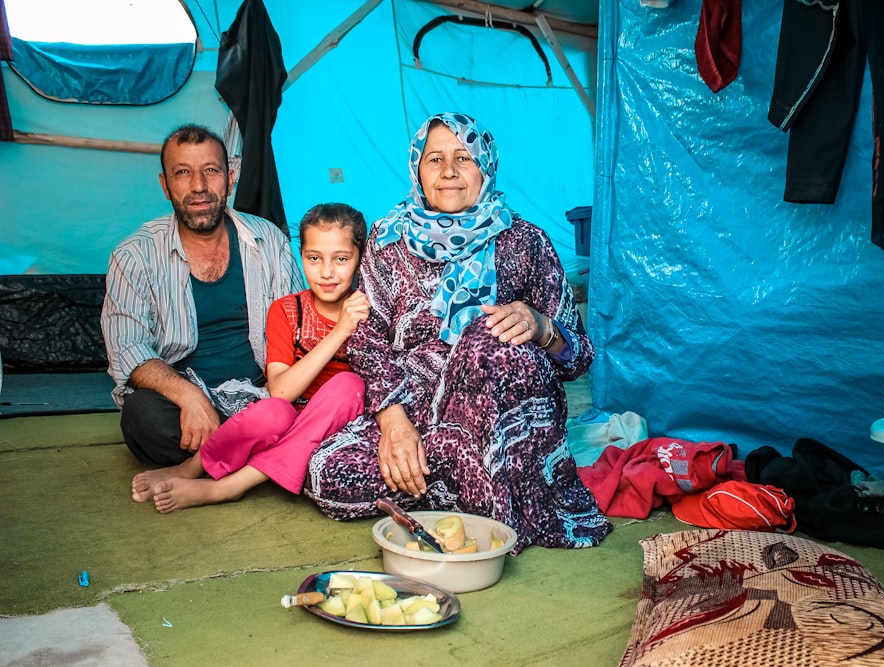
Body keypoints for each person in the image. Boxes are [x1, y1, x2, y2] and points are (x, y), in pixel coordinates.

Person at [304, 112, 612, 553]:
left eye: (463, 158)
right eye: (434, 159)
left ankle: (479, 482)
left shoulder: (525, 242)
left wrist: (543, 328)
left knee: (486, 340)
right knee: (328, 472)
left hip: (503, 410)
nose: (448, 172)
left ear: (485, 165)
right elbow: (368, 339)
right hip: (419, 411)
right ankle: (473, 477)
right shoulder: (388, 242)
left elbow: (579, 356)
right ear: (417, 168)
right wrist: (393, 423)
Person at [130, 203, 371, 512]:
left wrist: (352, 324)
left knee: (347, 384)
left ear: (360, 260)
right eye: (314, 258)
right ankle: (194, 466)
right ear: (301, 257)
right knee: (273, 411)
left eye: (341, 259)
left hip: (340, 430)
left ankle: (229, 486)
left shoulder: (370, 311)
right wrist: (340, 331)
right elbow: (282, 391)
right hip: (293, 420)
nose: (326, 272)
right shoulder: (286, 311)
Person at [101, 124, 306, 466]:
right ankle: (267, 454)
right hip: (184, 403)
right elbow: (127, 349)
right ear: (166, 185)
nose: (198, 186)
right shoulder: (133, 255)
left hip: (263, 396)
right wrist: (190, 398)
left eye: (210, 171)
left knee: (334, 392)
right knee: (142, 414)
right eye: (183, 173)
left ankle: (218, 457)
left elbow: (301, 326)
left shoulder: (268, 240)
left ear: (230, 177)